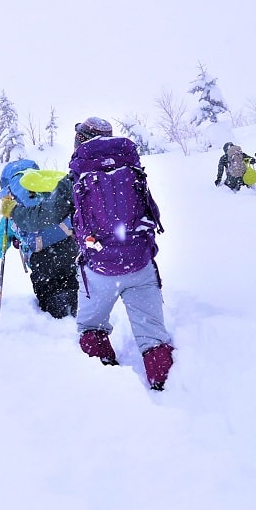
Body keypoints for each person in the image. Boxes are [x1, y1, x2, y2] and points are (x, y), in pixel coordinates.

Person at [67, 117, 175, 390]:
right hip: (139, 261)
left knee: (91, 327)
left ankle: (106, 385)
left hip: (100, 267)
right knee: (153, 334)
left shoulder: (78, 172)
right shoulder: (130, 164)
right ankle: (167, 387)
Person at [0, 158, 80, 319]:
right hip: (70, 249)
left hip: (42, 260)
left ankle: (59, 330)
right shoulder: (53, 191)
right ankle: (77, 322)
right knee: (75, 291)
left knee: (51, 305)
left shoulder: (12, 209)